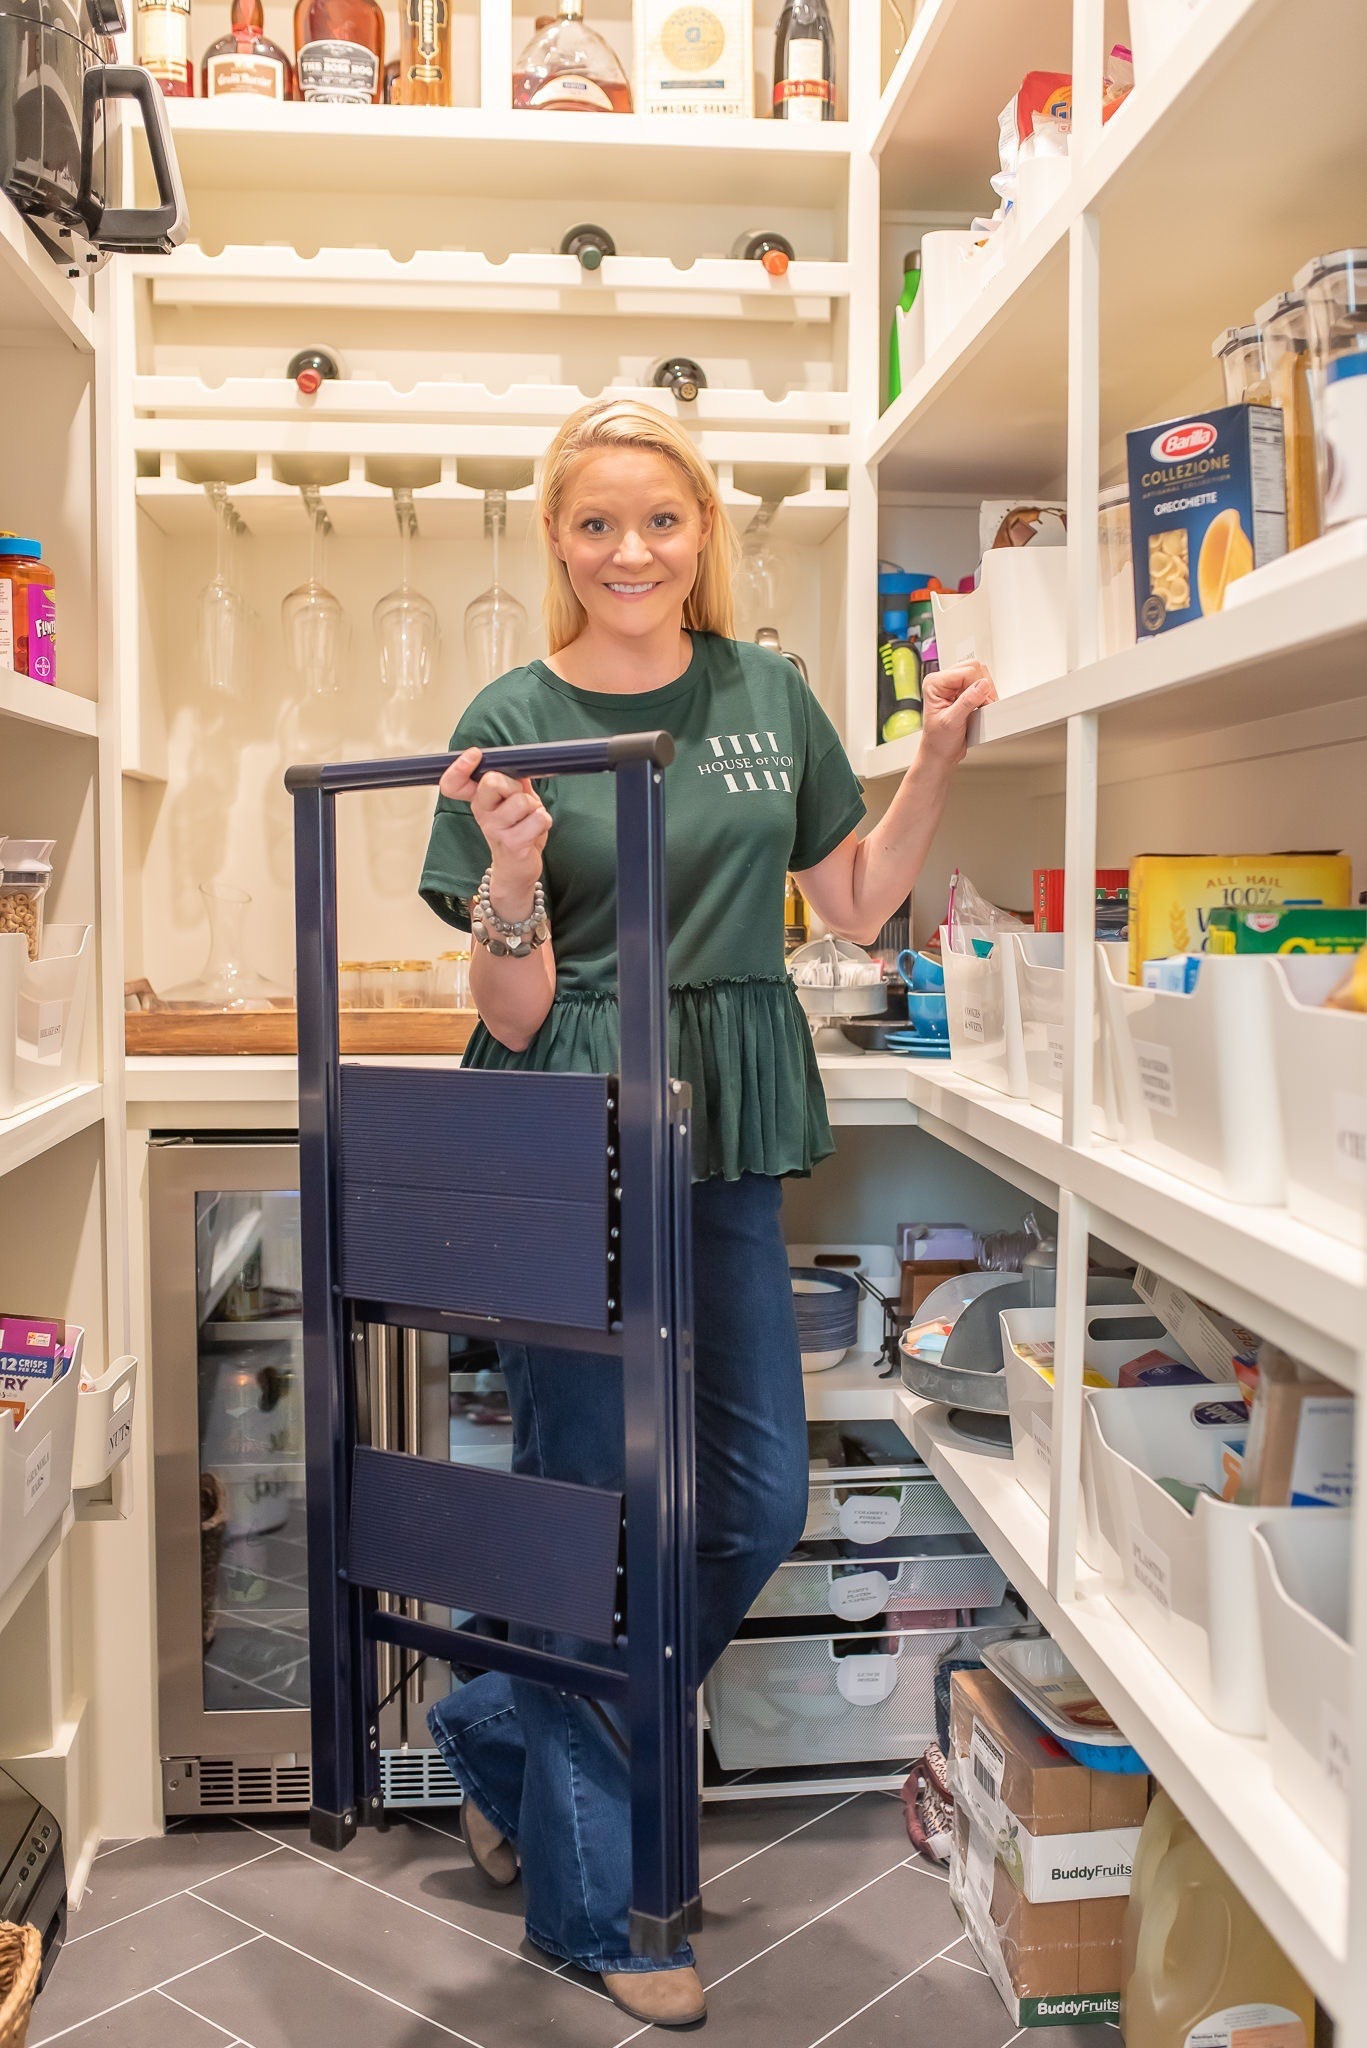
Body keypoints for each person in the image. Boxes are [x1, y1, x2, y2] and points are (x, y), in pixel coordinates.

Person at [419, 398, 994, 2030]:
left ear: (703, 534)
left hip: (726, 1105)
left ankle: (499, 1727)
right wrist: (514, 883)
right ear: (556, 540)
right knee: (589, 1502)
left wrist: (936, 758)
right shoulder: (511, 715)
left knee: (746, 1495)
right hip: (568, 1112)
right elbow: (515, 1015)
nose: (629, 553)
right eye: (595, 524)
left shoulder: (767, 695)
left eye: (659, 522)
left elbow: (856, 899)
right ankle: (607, 1911)